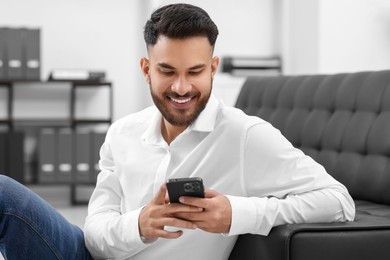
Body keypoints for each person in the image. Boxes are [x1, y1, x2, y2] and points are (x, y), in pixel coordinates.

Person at [0, 3, 355, 260]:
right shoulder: (122, 133)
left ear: (213, 68)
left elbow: (338, 201)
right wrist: (140, 223)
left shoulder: (245, 136)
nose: (181, 87)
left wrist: (238, 213)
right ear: (146, 69)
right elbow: (95, 235)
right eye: (167, 71)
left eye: (195, 71)